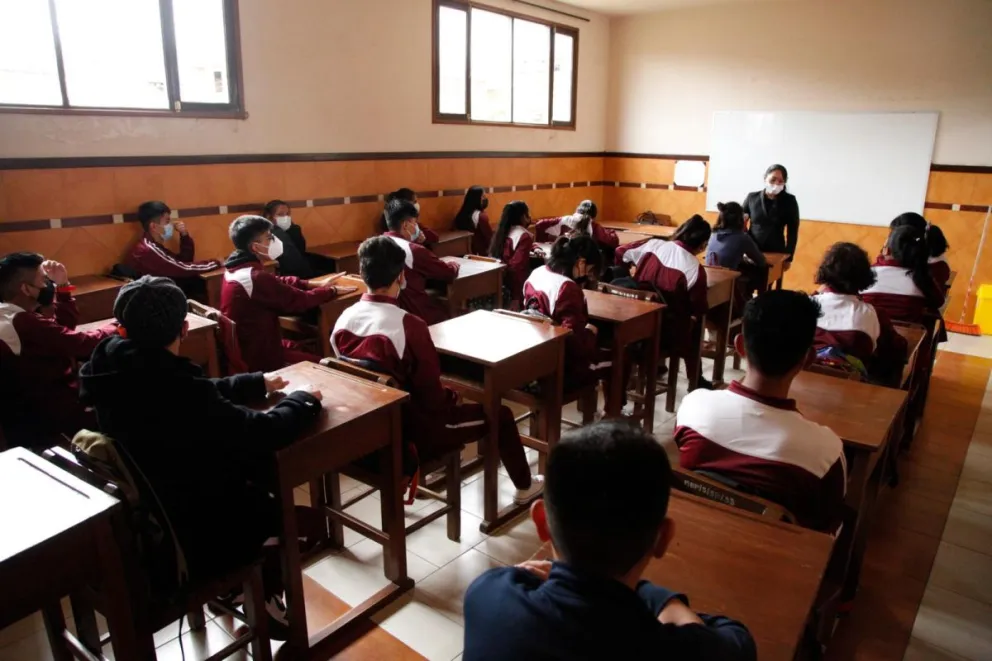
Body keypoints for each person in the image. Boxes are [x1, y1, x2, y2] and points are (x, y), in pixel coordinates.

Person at [78, 276, 324, 638]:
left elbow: (184, 392)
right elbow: (263, 431)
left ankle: (241, 587)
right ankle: (260, 596)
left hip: (157, 504)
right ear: (185, 328)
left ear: (120, 326)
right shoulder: (173, 386)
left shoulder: (113, 365)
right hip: (193, 527)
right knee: (297, 517)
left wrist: (253, 382)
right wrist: (302, 400)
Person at [463, 420, 757, 661]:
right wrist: (662, 601)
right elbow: (737, 640)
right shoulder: (679, 650)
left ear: (541, 522)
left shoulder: (487, 596)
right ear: (662, 538)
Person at [332, 237, 543, 502]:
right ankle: (525, 487)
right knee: (500, 415)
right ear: (400, 276)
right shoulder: (409, 326)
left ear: (362, 273)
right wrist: (453, 395)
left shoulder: (342, 319)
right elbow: (433, 401)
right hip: (414, 432)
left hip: (370, 427)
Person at [675, 291, 847, 532]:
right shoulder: (825, 453)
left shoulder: (694, 408)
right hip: (772, 563)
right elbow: (825, 531)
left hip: (692, 539)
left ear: (739, 346)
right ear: (808, 359)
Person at [0, 253, 118, 446]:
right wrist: (119, 326)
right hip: (50, 416)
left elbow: (61, 331)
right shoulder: (21, 322)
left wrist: (63, 286)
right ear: (26, 289)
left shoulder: (11, 314)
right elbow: (81, 343)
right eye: (43, 280)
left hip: (28, 413)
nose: (48, 285)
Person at [220, 215, 355, 372]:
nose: (274, 241)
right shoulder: (255, 278)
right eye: (269, 238)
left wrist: (309, 283)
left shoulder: (235, 269)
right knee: (326, 366)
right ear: (255, 247)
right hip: (260, 357)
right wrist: (331, 291)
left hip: (256, 345)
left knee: (309, 349)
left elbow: (276, 281)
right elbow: (299, 300)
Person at [616, 215, 712, 389]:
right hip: (664, 334)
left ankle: (659, 364)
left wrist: (628, 279)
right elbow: (698, 307)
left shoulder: (654, 245)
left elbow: (620, 252)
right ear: (703, 245)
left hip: (633, 322)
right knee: (696, 324)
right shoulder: (694, 268)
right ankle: (695, 378)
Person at [812, 242, 908, 382]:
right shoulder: (873, 313)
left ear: (824, 271)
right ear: (865, 276)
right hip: (852, 387)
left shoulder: (805, 305)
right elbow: (892, 349)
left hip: (805, 377)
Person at [523, 235, 606, 393]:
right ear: (581, 263)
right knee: (619, 360)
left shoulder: (535, 274)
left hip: (531, 360)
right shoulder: (567, 288)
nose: (588, 275)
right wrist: (590, 333)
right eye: (590, 270)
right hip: (558, 368)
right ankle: (612, 414)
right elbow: (574, 343)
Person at [383, 198, 459, 326]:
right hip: (415, 314)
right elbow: (447, 272)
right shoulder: (413, 250)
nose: (416, 227)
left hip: (387, 314)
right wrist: (454, 264)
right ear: (405, 225)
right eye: (414, 223)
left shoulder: (376, 244)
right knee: (448, 312)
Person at [126, 200, 221, 297]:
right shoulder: (147, 250)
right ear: (154, 226)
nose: (171, 225)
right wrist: (216, 263)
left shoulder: (153, 245)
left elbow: (183, 261)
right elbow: (183, 268)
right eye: (167, 221)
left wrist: (184, 235)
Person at [862, 225, 945, 324]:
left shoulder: (867, 272)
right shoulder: (922, 277)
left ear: (887, 250)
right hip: (910, 337)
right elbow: (938, 303)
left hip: (871, 334)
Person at [706, 201, 767, 315]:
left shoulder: (713, 234)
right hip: (727, 285)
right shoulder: (742, 238)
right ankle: (753, 309)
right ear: (741, 219)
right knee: (759, 273)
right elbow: (761, 261)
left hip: (710, 280)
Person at [741, 164, 800, 261]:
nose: (776, 184)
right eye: (773, 180)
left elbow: (792, 232)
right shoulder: (752, 198)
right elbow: (738, 222)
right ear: (765, 178)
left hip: (776, 253)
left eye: (780, 181)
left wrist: (788, 258)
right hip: (751, 251)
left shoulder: (790, 201)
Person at [261, 199, 331, 279]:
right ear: (269, 217)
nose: (285, 217)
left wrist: (293, 229)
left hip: (301, 270)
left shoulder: (292, 230)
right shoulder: (271, 233)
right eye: (280, 214)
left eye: (287, 214)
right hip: (290, 275)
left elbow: (301, 249)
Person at [535, 201, 619, 261]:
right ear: (594, 216)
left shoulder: (565, 220)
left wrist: (549, 240)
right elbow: (613, 241)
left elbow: (539, 225)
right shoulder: (593, 226)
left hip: (560, 259)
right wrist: (611, 232)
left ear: (577, 210)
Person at [488, 201, 535, 307]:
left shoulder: (502, 231)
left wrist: (533, 247)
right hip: (513, 288)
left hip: (498, 281)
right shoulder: (524, 236)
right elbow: (517, 268)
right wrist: (516, 297)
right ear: (523, 216)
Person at [453, 186, 493, 255]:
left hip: (467, 252)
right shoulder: (481, 216)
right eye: (483, 197)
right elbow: (489, 237)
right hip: (481, 253)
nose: (485, 199)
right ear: (476, 199)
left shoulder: (462, 214)